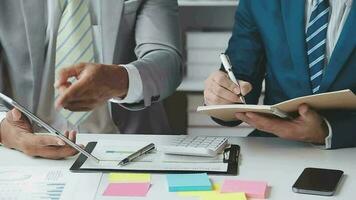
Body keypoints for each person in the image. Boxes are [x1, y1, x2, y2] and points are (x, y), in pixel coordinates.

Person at [0, 0, 182, 159]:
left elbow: (168, 63)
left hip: (129, 147)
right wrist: (5, 127)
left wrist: (117, 79)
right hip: (26, 150)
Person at [204, 0, 356, 149]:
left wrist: (328, 131)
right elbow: (241, 76)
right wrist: (222, 96)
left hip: (348, 149)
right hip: (277, 145)